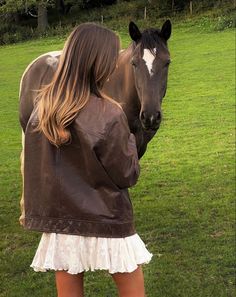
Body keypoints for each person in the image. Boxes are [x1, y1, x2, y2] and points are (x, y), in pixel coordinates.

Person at [20, 23, 152, 297]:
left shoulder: (42, 112)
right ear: (100, 64)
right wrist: (130, 139)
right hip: (109, 217)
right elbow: (127, 174)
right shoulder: (110, 114)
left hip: (63, 223)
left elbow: (37, 169)